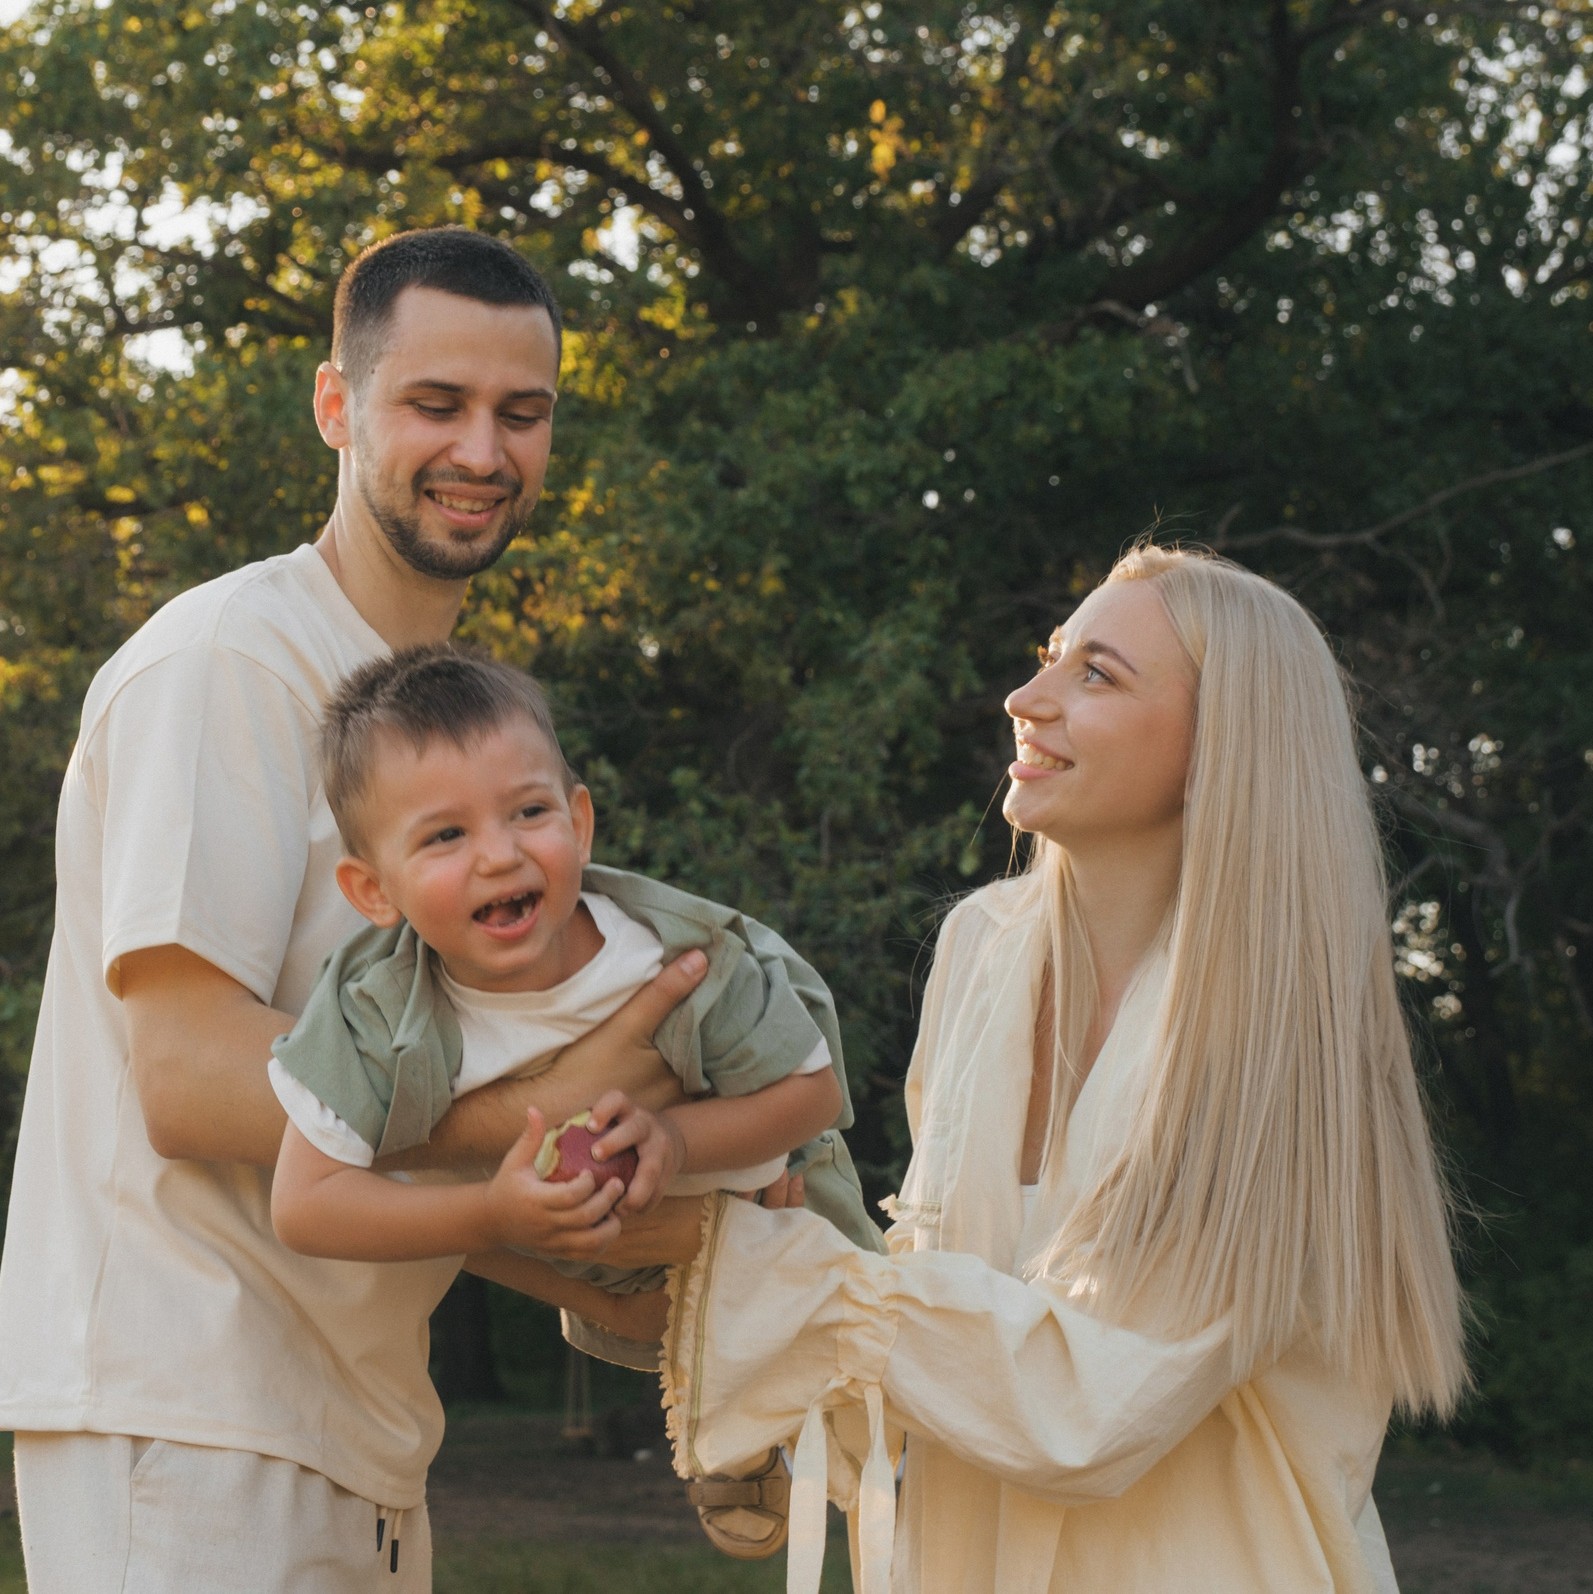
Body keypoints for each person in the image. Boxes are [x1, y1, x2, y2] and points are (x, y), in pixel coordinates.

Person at [0, 227, 710, 1594]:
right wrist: (534, 1124)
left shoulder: (440, 724)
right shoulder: (230, 663)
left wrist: (656, 1277)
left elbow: (371, 1130)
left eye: (521, 413)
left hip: (350, 1432)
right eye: (437, 404)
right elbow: (191, 1077)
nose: (483, 450)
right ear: (337, 406)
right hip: (187, 1410)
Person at [600, 544, 1469, 1592]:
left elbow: (1089, 1409)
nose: (1024, 697)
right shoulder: (983, 948)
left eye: (1094, 674)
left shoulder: (1283, 1024)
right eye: (1049, 657)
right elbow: (944, 1332)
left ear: (1220, 748)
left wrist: (769, 1274)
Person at [263, 642, 881, 1385]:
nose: (499, 854)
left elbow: (814, 1093)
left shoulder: (677, 959)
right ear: (373, 892)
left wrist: (676, 1140)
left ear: (579, 822)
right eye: (446, 835)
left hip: (797, 1231)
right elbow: (304, 1205)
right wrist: (489, 1215)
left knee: (894, 1416)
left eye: (529, 811)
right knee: (745, 1453)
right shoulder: (374, 1010)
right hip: (654, 1305)